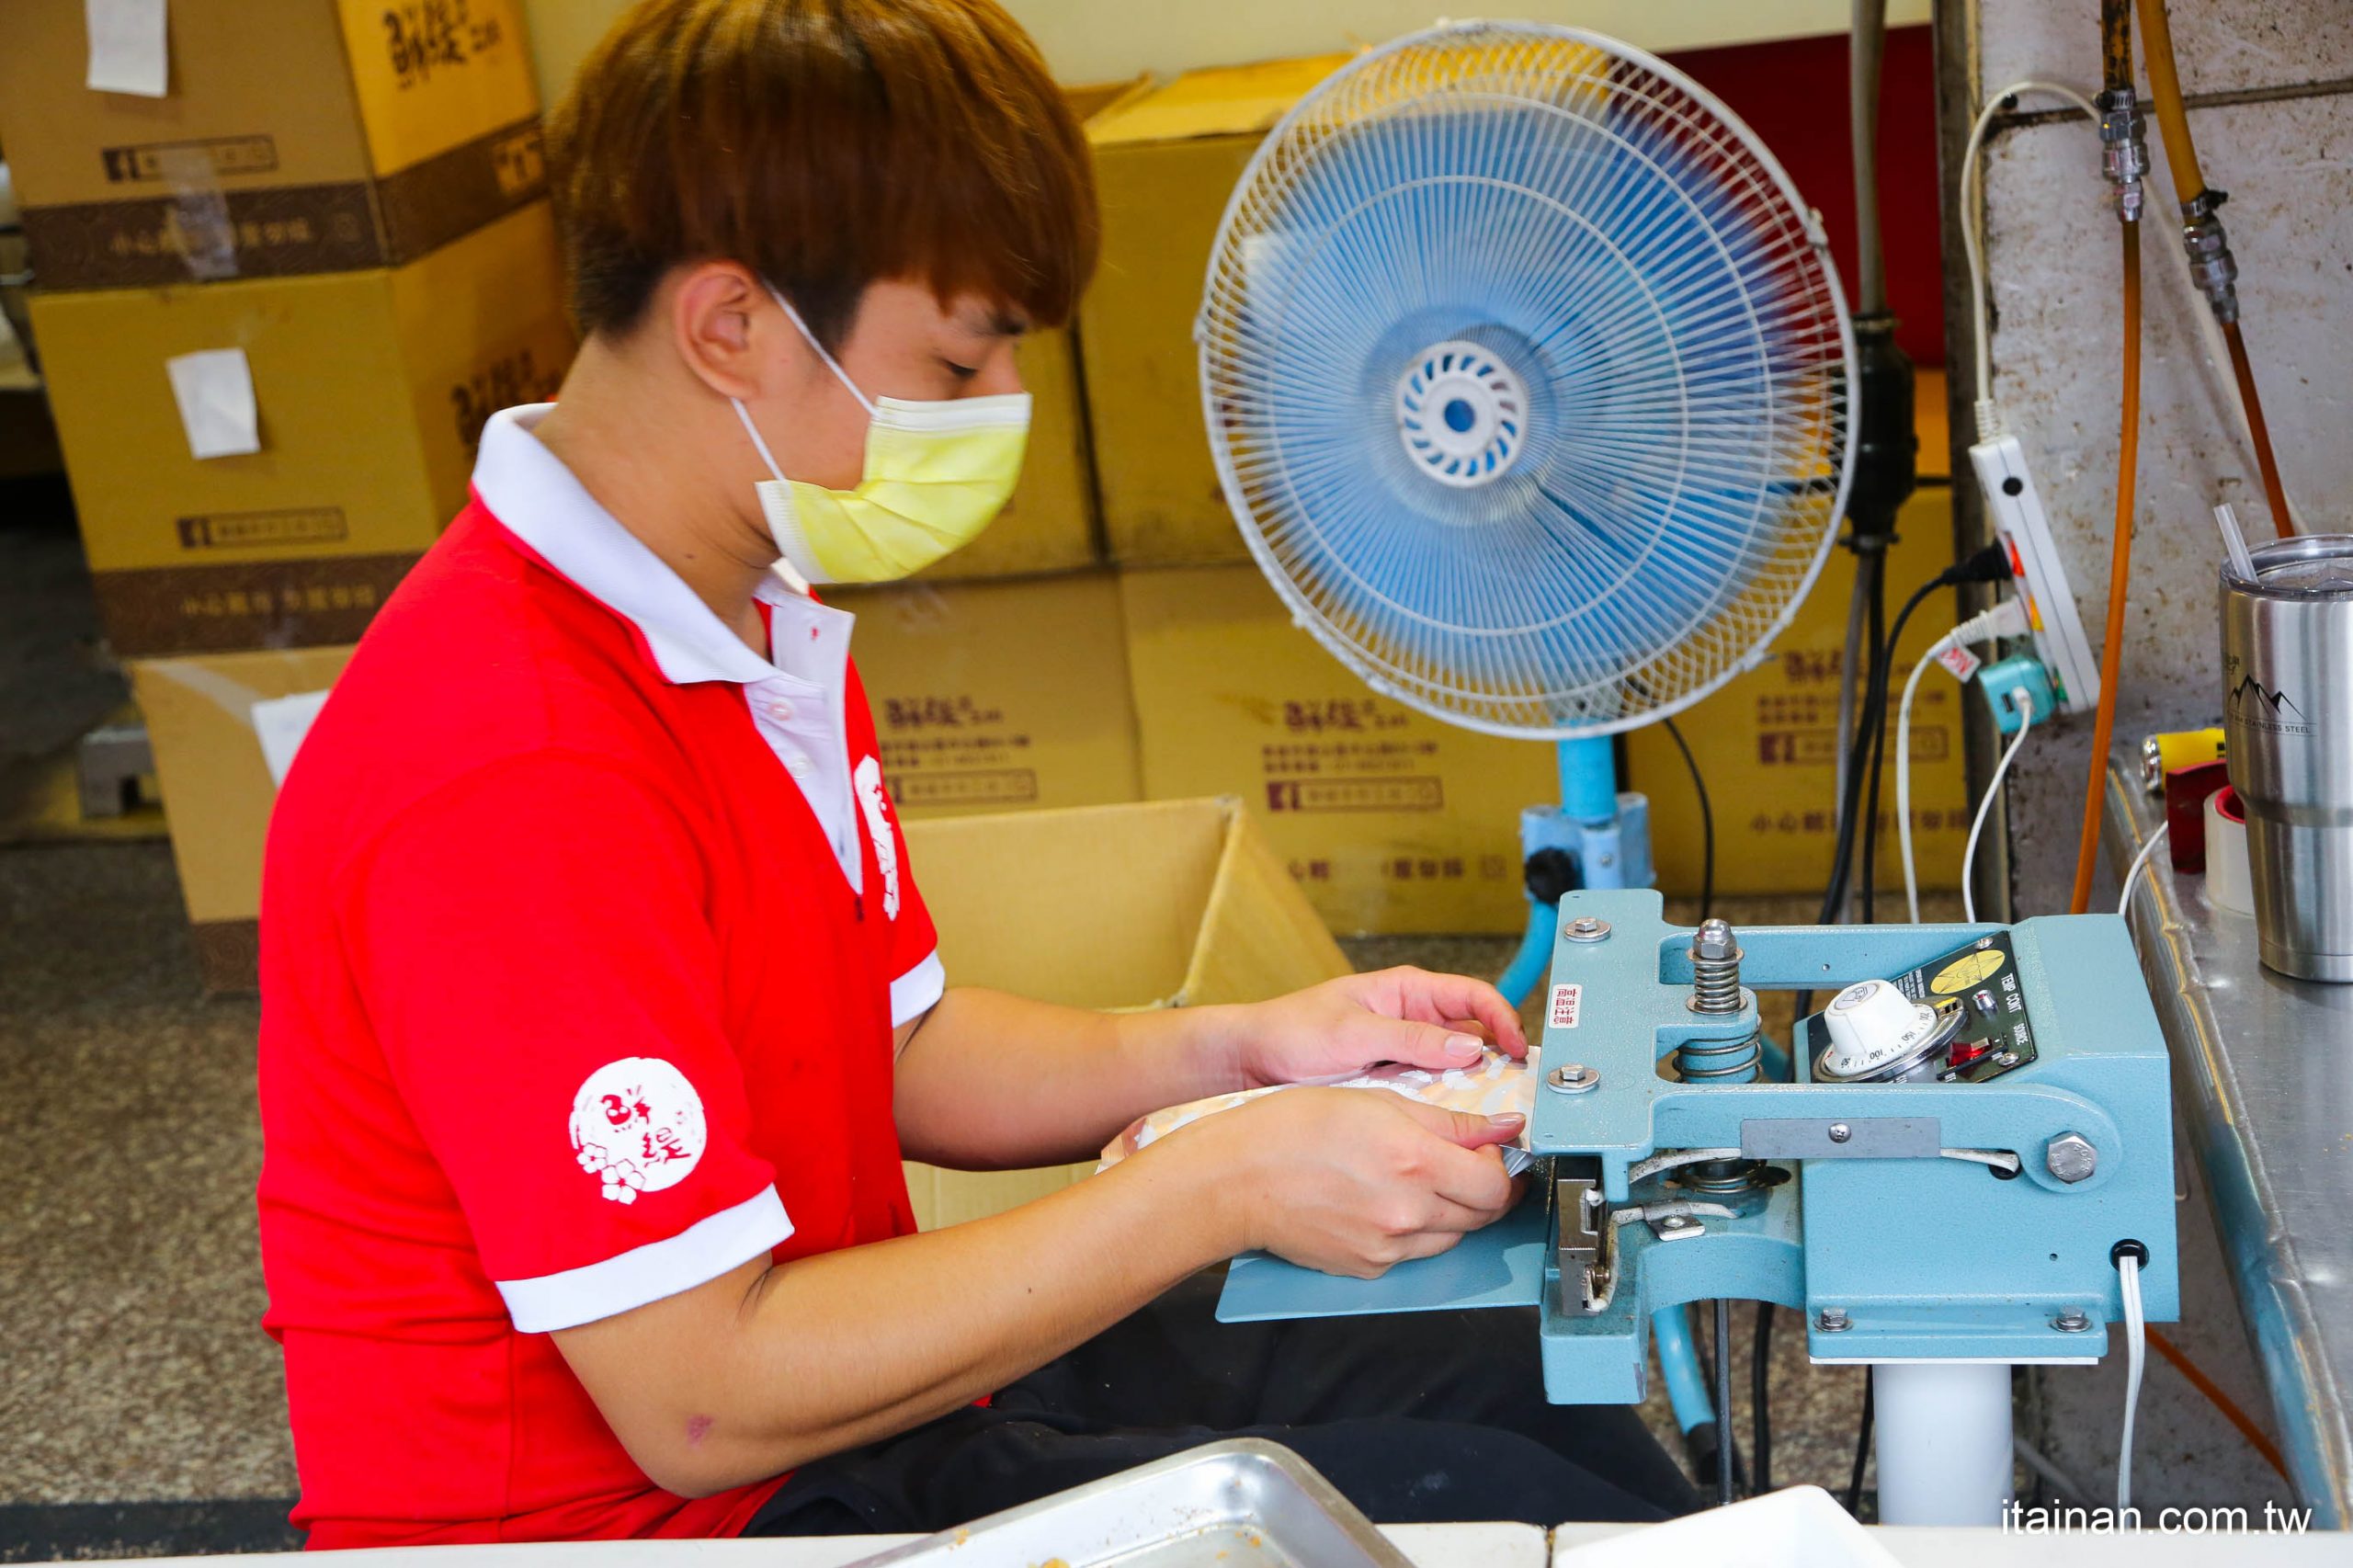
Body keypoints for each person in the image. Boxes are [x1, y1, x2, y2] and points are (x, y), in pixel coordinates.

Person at [255, 0, 1696, 1547]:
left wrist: (1247, 1054)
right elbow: (697, 1400)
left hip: (847, 1399)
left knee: (1501, 1380)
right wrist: (1217, 1190)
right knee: (1484, 1516)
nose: (998, 402)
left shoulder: (745, 616)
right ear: (729, 325)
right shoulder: (516, 768)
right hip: (659, 1515)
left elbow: (895, 1045)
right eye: (958, 357)